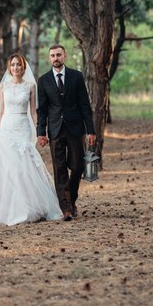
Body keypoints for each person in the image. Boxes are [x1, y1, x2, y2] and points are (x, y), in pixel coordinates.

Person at [0, 53, 63, 226]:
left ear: (23, 68)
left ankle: (25, 207)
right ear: (9, 67)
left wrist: (39, 131)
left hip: (22, 128)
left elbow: (33, 112)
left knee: (20, 169)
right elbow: (1, 112)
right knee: (1, 164)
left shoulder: (30, 86)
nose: (16, 68)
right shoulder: (3, 87)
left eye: (18, 65)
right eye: (13, 65)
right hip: (6, 126)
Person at [37, 44, 96, 222]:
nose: (56, 58)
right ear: (49, 59)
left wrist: (91, 131)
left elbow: (85, 105)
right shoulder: (44, 80)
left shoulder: (76, 76)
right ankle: (66, 209)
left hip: (76, 128)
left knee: (77, 166)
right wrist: (41, 132)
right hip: (55, 129)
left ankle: (71, 198)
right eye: (53, 55)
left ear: (65, 56)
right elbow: (43, 110)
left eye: (59, 55)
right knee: (60, 168)